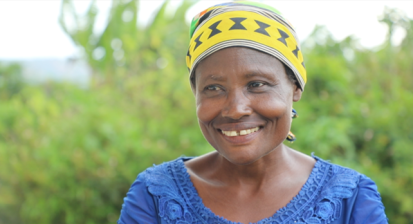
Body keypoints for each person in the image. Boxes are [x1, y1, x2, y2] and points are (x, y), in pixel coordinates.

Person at [118, 1, 388, 223]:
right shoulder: (154, 196)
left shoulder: (350, 200)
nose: (235, 109)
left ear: (295, 87)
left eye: (257, 85)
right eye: (213, 88)